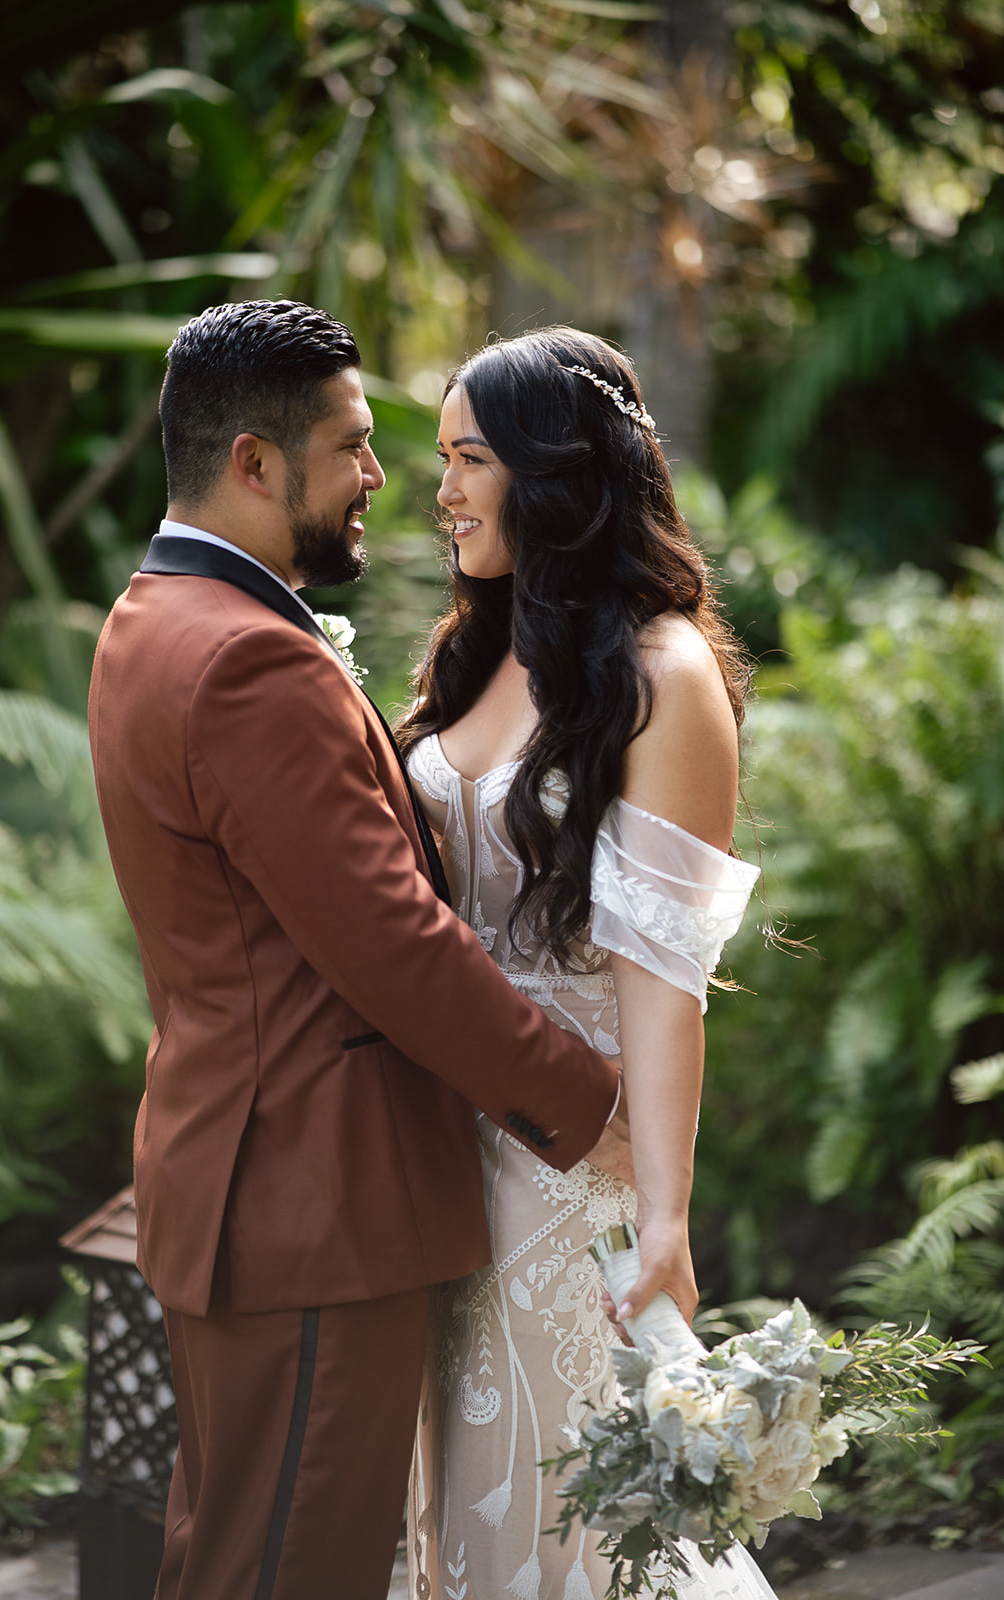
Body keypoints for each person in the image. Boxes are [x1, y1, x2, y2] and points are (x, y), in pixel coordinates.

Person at [87, 300, 622, 1600]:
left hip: (242, 1187)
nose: (382, 477)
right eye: (353, 444)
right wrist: (588, 1101)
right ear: (254, 465)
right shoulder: (243, 664)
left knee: (227, 1561)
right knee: (289, 1576)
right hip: (310, 1206)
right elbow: (391, 944)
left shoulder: (151, 619)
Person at [400, 328, 775, 1599]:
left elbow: (660, 977)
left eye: (466, 459)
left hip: (570, 1176)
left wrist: (663, 1216)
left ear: (554, 472)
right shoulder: (472, 650)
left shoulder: (660, 675)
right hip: (422, 1160)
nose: (440, 491)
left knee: (578, 1523)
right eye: (437, 459)